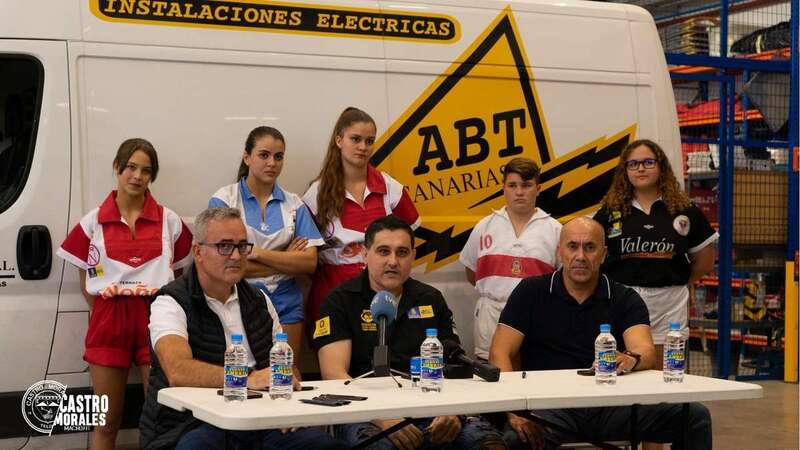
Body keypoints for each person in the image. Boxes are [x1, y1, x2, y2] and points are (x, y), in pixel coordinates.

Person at [489, 217, 712, 450]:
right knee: (516, 441)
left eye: (590, 247)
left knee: (694, 416)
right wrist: (513, 411)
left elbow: (646, 351)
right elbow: (499, 352)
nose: (581, 257)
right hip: (549, 410)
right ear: (559, 252)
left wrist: (630, 359)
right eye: (572, 246)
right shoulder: (530, 292)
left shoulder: (624, 298)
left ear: (604, 254)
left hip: (612, 406)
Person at [139, 207, 346, 450]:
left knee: (327, 446)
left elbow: (287, 367)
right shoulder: (171, 301)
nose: (236, 256)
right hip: (194, 422)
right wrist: (247, 379)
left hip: (261, 417)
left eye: (242, 246)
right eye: (225, 246)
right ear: (198, 252)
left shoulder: (259, 300)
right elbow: (177, 371)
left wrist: (289, 403)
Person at [312, 215, 506, 450]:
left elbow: (454, 364)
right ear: (365, 254)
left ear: (413, 256)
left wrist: (452, 412)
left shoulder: (430, 299)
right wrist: (382, 416)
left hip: (432, 405)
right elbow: (334, 375)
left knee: (489, 443)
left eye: (402, 252)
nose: (393, 261)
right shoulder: (340, 301)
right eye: (383, 251)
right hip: (364, 412)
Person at [56, 138, 192, 450]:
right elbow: (84, 278)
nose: (137, 176)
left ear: (152, 177)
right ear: (117, 168)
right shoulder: (92, 222)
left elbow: (180, 275)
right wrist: (107, 308)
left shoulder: (169, 220)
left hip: (156, 317)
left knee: (163, 418)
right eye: (131, 167)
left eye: (146, 170)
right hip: (109, 318)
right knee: (105, 423)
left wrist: (161, 305)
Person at [593, 139, 717, 366]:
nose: (641, 168)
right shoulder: (609, 212)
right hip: (622, 299)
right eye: (633, 164)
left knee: (665, 372)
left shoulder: (684, 209)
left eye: (648, 162)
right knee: (622, 365)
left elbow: (706, 259)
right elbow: (594, 255)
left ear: (661, 167)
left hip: (669, 303)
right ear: (625, 171)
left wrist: (677, 279)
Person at [210, 126, 323, 366]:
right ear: (247, 157)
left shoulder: (294, 204)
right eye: (264, 155)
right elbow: (223, 264)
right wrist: (285, 259)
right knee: (243, 372)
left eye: (279, 157)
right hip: (240, 298)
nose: (272, 163)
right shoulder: (224, 199)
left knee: (287, 373)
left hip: (286, 301)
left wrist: (255, 253)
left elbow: (310, 263)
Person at [303, 107, 420, 337]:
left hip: (383, 298)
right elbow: (307, 258)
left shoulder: (390, 188)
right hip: (333, 298)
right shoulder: (316, 194)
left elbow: (410, 239)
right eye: (355, 139)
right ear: (339, 140)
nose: (363, 147)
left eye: (369, 141)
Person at [459, 157, 561, 361]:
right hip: (491, 319)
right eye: (512, 185)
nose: (520, 192)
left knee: (534, 377)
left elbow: (562, 282)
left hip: (537, 319)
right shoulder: (485, 226)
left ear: (538, 188)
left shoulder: (555, 230)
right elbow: (472, 273)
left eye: (527, 185)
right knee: (493, 383)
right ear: (503, 187)